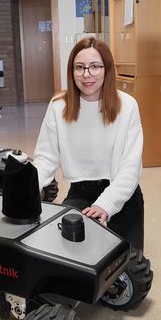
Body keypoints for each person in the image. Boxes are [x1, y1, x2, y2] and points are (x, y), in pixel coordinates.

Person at [32, 37, 145, 251]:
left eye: (95, 66)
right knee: (68, 258)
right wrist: (24, 190)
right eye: (80, 67)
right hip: (81, 190)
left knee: (127, 267)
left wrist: (106, 204)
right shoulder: (58, 106)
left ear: (107, 69)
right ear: (72, 71)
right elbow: (45, 159)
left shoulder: (128, 106)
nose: (87, 74)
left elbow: (130, 168)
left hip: (123, 191)